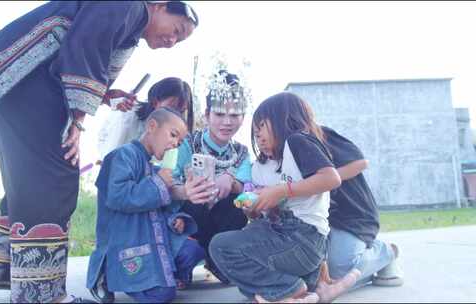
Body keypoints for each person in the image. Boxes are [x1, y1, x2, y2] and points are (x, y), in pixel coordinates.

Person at [0, 1, 199, 302]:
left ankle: (5, 269)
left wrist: (102, 96)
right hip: (30, 91)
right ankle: (40, 293)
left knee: (31, 180)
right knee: (55, 178)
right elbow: (86, 43)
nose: (171, 41)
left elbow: (74, 49)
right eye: (176, 30)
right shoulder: (130, 5)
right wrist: (78, 116)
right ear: (161, 5)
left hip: (23, 89)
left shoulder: (130, 20)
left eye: (179, 40)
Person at [209, 91, 342, 303]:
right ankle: (297, 285)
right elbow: (260, 213)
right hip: (282, 237)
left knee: (220, 246)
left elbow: (331, 179)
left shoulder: (297, 142)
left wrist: (282, 190)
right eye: (254, 132)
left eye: (262, 127)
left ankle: (287, 288)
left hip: (303, 237)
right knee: (247, 266)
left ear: (284, 120)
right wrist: (252, 206)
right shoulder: (261, 166)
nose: (258, 136)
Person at [86, 107, 205, 303]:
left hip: (148, 235)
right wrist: (158, 183)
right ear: (152, 126)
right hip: (126, 240)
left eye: (180, 142)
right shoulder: (122, 156)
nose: (175, 144)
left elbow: (162, 197)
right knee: (161, 295)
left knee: (193, 251)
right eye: (173, 135)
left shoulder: (152, 166)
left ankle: (161, 276)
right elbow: (118, 196)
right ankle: (107, 273)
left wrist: (185, 192)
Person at [170, 70, 252, 284]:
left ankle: (218, 260)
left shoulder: (242, 152)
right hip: (188, 216)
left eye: (234, 115)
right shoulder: (188, 143)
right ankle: (187, 259)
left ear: (243, 116)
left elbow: (247, 188)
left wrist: (231, 181)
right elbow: (168, 180)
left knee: (236, 205)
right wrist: (187, 189)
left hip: (222, 220)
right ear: (207, 115)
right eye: (219, 114)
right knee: (196, 202)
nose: (227, 122)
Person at [314, 126, 403, 302]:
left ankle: (385, 251)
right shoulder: (276, 154)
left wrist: (324, 180)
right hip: (321, 218)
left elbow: (360, 162)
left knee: (339, 272)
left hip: (352, 214)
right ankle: (363, 256)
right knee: (318, 274)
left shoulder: (317, 134)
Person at [97, 76, 194, 161]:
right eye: (171, 108)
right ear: (155, 102)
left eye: (180, 111)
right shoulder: (129, 117)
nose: (175, 115)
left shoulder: (169, 134)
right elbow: (111, 156)